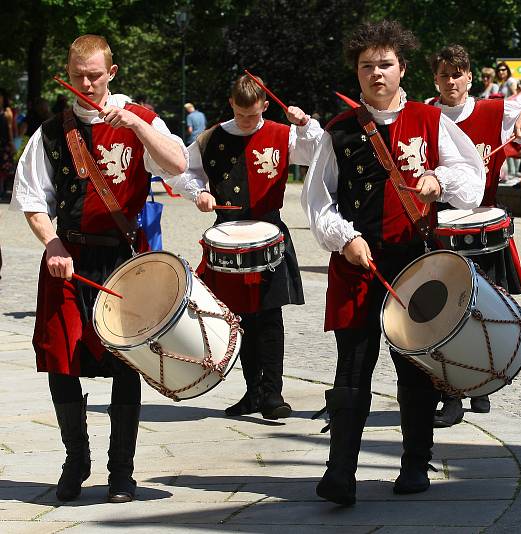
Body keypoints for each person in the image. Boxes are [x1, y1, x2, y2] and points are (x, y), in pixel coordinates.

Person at [301, 20, 485, 505]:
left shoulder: (430, 119)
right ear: (357, 73)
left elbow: (472, 178)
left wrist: (439, 182)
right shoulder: (339, 131)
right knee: (351, 368)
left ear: (402, 68)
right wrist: (344, 239)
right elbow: (317, 201)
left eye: (385, 64)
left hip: (413, 264)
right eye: (367, 66)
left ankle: (415, 463)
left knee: (413, 367)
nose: (376, 73)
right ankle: (339, 472)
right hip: (357, 262)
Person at [10, 34, 186, 503]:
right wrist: (51, 243)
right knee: (60, 359)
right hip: (68, 258)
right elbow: (31, 199)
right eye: (77, 75)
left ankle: (121, 473)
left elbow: (177, 165)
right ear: (67, 74)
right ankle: (76, 460)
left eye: (94, 74)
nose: (85, 83)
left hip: (125, 261)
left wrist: (135, 124)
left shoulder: (141, 120)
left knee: (126, 360)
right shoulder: (50, 132)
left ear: (112, 72)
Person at [168, 74, 322, 419]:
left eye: (253, 115)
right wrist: (200, 193)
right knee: (240, 318)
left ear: (265, 106)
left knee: (269, 315)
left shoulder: (283, 134)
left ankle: (273, 394)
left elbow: (319, 154)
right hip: (226, 235)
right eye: (241, 115)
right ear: (231, 105)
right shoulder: (211, 138)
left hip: (269, 231)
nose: (248, 122)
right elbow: (180, 171)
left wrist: (306, 124)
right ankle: (252, 393)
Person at [427, 44, 521, 427]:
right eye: (445, 74)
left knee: (486, 310)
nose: (452, 81)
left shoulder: (495, 110)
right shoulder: (425, 114)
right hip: (439, 224)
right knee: (442, 313)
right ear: (436, 78)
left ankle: (480, 384)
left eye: (458, 73)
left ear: (469, 77)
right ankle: (449, 395)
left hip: (483, 223)